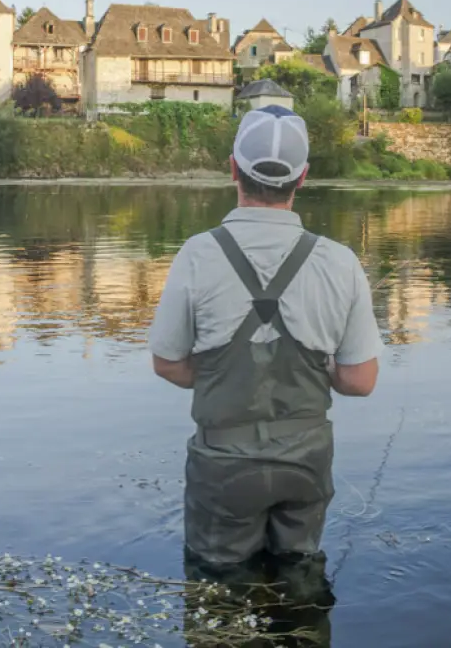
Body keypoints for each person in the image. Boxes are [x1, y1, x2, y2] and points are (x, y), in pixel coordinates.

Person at [147, 105, 381, 616]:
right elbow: (360, 381)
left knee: (218, 597)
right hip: (306, 465)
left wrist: (221, 379)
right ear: (303, 176)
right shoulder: (340, 261)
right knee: (301, 586)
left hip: (223, 469)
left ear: (233, 168)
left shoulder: (197, 254)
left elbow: (167, 363)